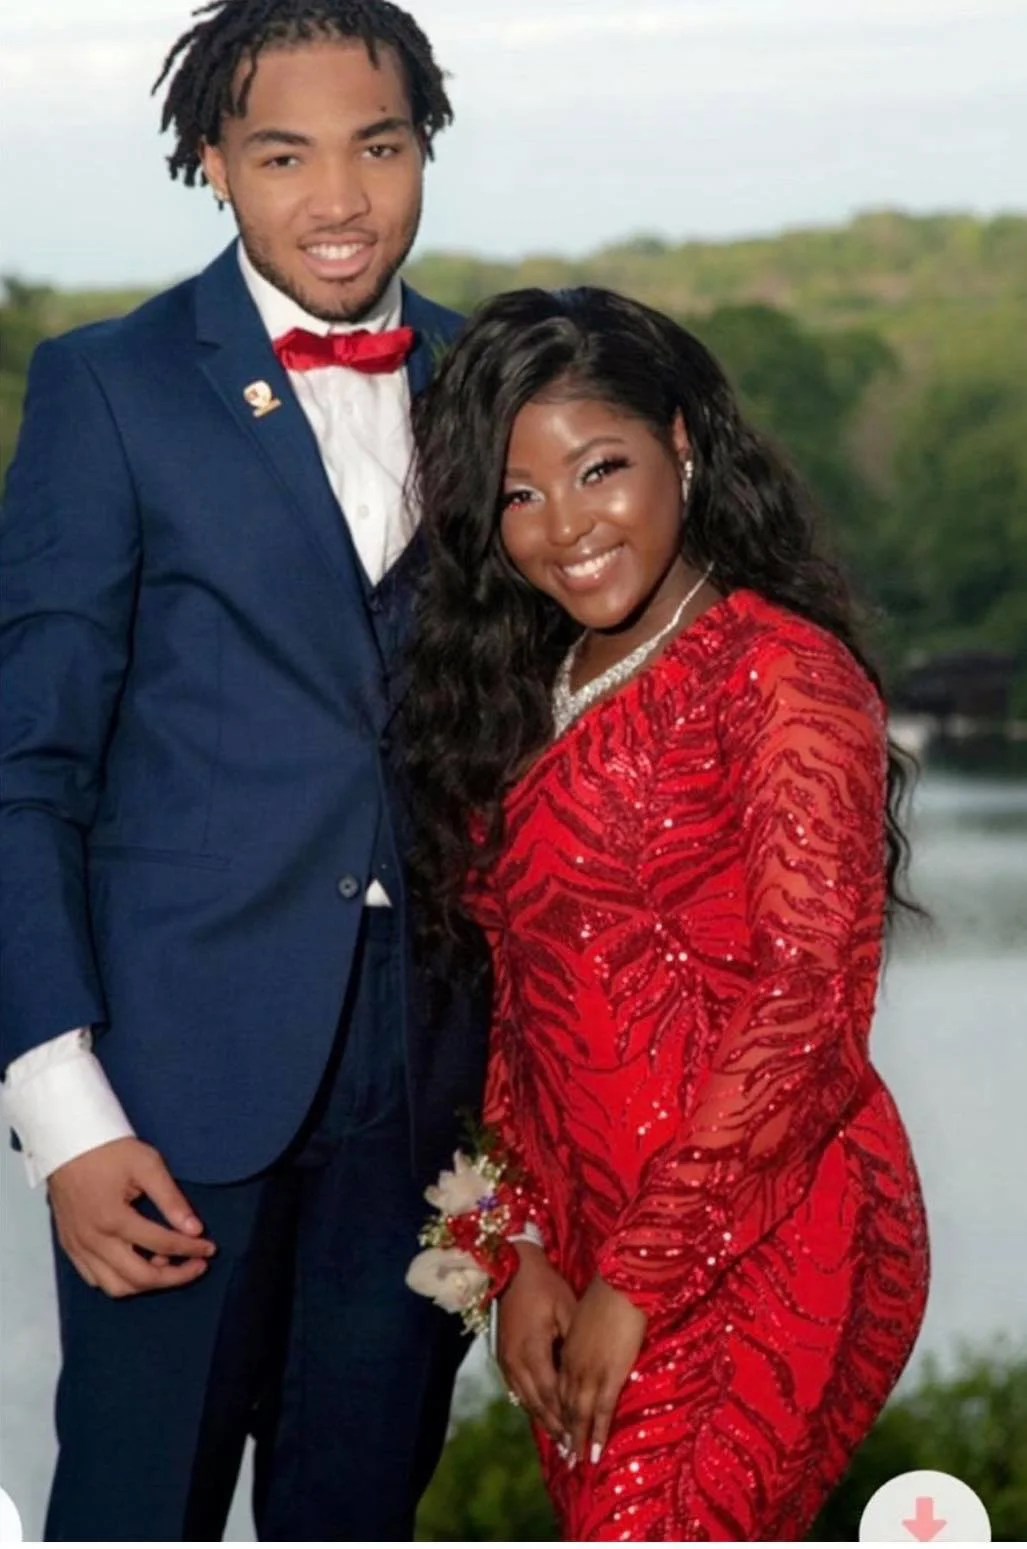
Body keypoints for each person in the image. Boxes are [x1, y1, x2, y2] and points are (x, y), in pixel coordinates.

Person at [0, 1, 489, 1540]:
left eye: (378, 147)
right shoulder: (109, 384)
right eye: (283, 155)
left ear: (425, 146)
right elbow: (26, 766)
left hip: (428, 1104)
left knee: (358, 1514)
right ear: (212, 161)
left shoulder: (493, 381)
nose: (339, 198)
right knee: (133, 1512)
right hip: (169, 1103)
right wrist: (63, 1111)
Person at [402, 287, 931, 1542]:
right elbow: (522, 1008)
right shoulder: (523, 689)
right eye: (519, 495)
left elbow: (810, 1006)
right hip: (583, 1244)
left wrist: (642, 1275)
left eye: (601, 469)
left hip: (766, 1231)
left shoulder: (780, 675)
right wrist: (519, 1248)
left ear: (681, 444)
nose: (566, 527)